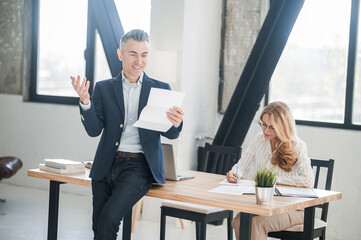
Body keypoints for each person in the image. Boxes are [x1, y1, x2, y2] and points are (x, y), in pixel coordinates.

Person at [70, 29, 184, 240]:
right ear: (120, 54)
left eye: (144, 54)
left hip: (138, 168)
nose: (139, 61)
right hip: (105, 165)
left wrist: (176, 123)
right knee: (99, 226)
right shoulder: (104, 88)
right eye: (133, 54)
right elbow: (94, 130)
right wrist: (85, 103)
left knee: (109, 218)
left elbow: (172, 133)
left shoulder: (160, 89)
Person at [226, 101, 314, 240]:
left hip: (293, 209)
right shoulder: (258, 140)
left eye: (272, 127)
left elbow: (308, 180)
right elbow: (242, 165)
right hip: (264, 205)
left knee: (256, 222)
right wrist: (235, 173)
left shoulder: (298, 145)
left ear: (283, 127)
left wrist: (272, 180)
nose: (266, 131)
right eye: (264, 124)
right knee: (238, 221)